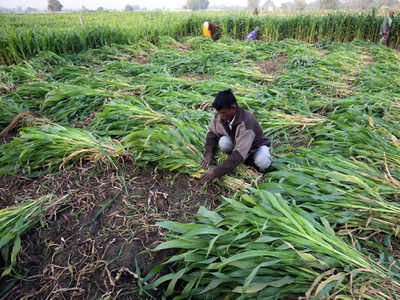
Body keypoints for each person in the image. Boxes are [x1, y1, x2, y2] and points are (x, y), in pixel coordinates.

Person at [200, 89, 272, 184]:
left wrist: (215, 172)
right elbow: (212, 134)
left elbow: (238, 155)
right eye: (219, 112)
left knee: (262, 161)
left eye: (223, 113)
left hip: (255, 148)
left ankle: (259, 174)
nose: (220, 116)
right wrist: (208, 154)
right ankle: (237, 161)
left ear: (233, 108)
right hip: (239, 145)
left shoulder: (246, 122)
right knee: (223, 142)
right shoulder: (222, 116)